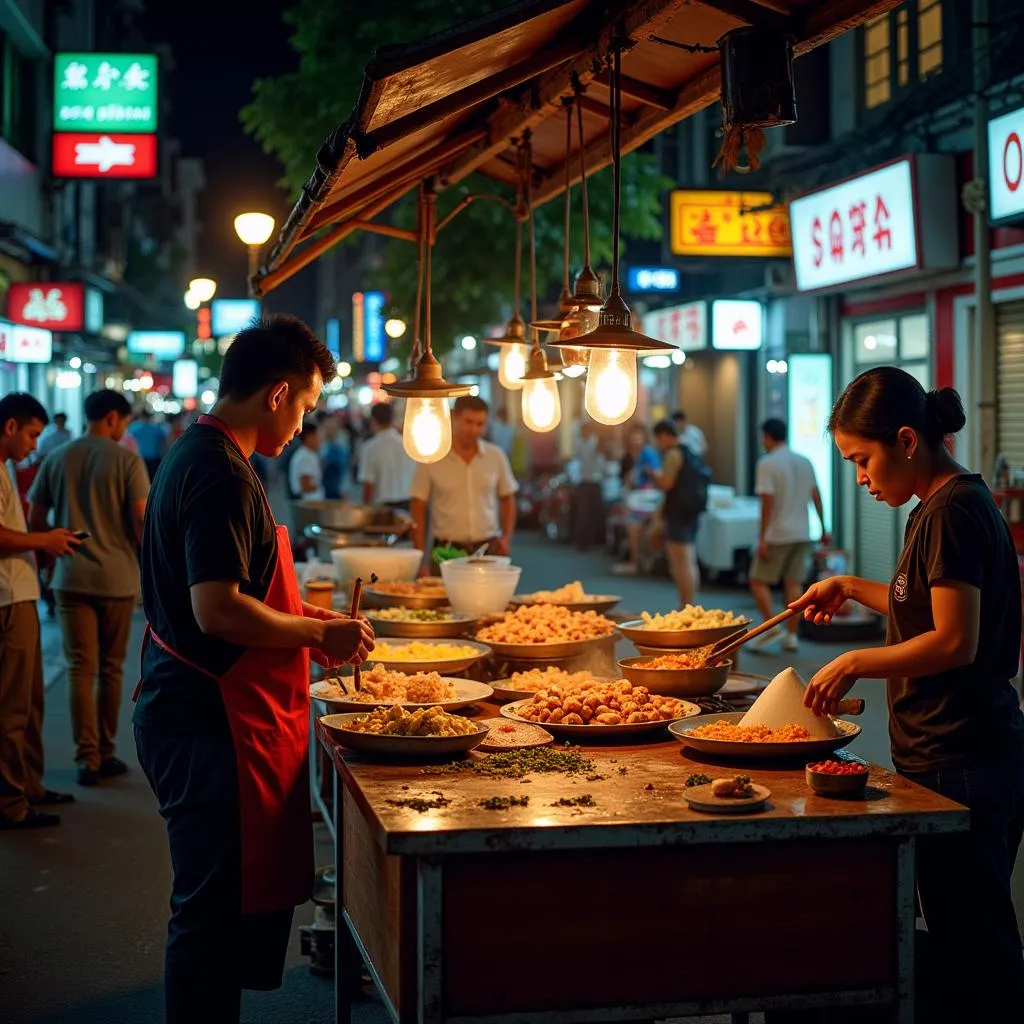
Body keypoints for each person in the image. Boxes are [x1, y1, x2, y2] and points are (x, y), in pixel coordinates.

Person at [132, 315, 374, 1022]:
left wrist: (312, 624)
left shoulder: (202, 452)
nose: (303, 423)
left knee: (217, 907)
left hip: (199, 712)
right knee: (207, 915)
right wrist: (316, 637)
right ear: (276, 393)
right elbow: (218, 610)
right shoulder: (218, 472)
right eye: (304, 406)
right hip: (207, 722)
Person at [792, 368, 1024, 1021]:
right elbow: (915, 603)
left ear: (905, 440)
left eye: (862, 461)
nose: (861, 478)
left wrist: (856, 660)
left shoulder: (952, 512)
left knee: (978, 944)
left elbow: (954, 640)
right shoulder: (934, 508)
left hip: (966, 758)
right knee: (960, 937)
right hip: (947, 753)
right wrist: (847, 585)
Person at [28, 389, 149, 786]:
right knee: (112, 670)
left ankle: (87, 758)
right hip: (116, 578)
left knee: (80, 668)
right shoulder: (127, 460)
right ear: (113, 418)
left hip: (69, 576)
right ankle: (107, 751)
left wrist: (54, 546)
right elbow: (140, 521)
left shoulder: (57, 457)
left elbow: (37, 516)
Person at [0, 393, 80, 830]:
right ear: (10, 426)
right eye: (31, 434)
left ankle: (28, 786)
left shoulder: (8, 468)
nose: (35, 445)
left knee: (30, 704)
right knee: (12, 709)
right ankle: (11, 803)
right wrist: (43, 542)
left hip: (21, 593)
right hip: (8, 597)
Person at [747, 418, 828, 654]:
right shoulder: (804, 461)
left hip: (777, 534)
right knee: (794, 584)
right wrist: (823, 527)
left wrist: (762, 537)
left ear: (768, 437)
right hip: (803, 532)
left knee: (757, 580)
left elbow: (767, 503)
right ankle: (791, 636)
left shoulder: (767, 463)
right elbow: (816, 495)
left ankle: (772, 626)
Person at [410, 395, 517, 571]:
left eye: (480, 424)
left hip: (487, 548)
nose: (474, 430)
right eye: (468, 422)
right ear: (454, 417)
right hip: (445, 551)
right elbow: (418, 507)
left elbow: (507, 498)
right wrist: (420, 556)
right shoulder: (432, 457)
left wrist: (507, 536)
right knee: (441, 597)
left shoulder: (495, 456)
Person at [651, 419, 709, 608]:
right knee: (689, 559)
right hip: (692, 512)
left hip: (677, 512)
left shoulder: (674, 455)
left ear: (666, 436)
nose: (659, 444)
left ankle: (686, 604)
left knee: (681, 560)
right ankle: (689, 602)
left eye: (659, 439)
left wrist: (654, 476)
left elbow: (667, 483)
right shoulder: (692, 452)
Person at [613, 424, 661, 575]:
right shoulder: (635, 456)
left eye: (638, 437)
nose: (635, 441)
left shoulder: (647, 453)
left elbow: (656, 474)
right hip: (641, 498)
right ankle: (639, 561)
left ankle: (635, 562)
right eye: (633, 438)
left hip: (646, 498)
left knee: (634, 527)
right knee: (635, 528)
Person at [358, 402, 413, 508]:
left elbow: (368, 485)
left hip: (383, 508)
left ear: (373, 420)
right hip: (408, 503)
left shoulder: (369, 448)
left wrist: (365, 507)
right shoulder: (407, 444)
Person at [572, 421, 606, 551]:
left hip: (595, 481)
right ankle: (583, 542)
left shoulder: (594, 442)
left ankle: (595, 541)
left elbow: (599, 452)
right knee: (584, 514)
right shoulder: (580, 443)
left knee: (595, 512)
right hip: (585, 481)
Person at [288, 418, 324, 501]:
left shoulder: (309, 454)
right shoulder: (305, 456)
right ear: (309, 437)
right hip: (308, 504)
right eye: (317, 436)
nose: (320, 440)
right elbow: (305, 485)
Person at [128, 408, 167, 481]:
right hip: (155, 459)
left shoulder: (134, 428)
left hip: (140, 459)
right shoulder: (157, 428)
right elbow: (163, 444)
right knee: (154, 481)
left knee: (142, 482)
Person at [318, 411, 349, 500]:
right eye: (327, 427)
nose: (329, 429)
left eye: (332, 427)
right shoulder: (321, 445)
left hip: (336, 488)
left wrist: (344, 488)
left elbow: (344, 468)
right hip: (322, 489)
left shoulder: (340, 446)